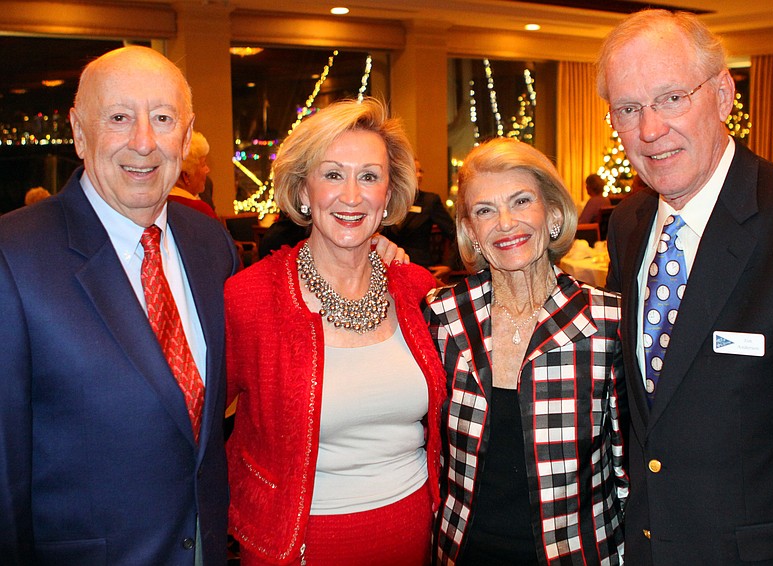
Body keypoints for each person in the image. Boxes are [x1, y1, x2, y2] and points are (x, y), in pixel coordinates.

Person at [597, 9, 773, 564]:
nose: (649, 130)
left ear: (723, 92)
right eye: (628, 109)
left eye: (670, 99)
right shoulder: (629, 224)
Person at [0, 46, 240, 565]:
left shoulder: (210, 244)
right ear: (79, 131)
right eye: (118, 118)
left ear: (187, 130)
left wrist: (367, 257)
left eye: (162, 118)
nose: (144, 142)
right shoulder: (13, 256)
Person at [224, 98, 446, 566]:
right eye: (332, 174)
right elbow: (196, 428)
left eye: (369, 176)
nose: (351, 196)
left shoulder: (417, 290)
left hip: (415, 536)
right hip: (296, 545)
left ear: (388, 195)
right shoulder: (251, 297)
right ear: (303, 191)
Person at [427, 137, 628, 565]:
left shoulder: (607, 322)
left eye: (521, 202)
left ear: (553, 214)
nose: (505, 223)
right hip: (462, 552)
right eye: (484, 210)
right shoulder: (442, 316)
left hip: (578, 554)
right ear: (470, 232)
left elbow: (626, 467)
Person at [385, 158, 457, 271]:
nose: (419, 175)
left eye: (420, 171)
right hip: (388, 267)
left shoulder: (429, 201)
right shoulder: (387, 200)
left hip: (419, 267)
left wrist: (449, 265)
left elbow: (455, 234)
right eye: (415, 171)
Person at [169, 130, 218, 218]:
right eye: (203, 164)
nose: (208, 170)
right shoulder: (200, 210)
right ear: (186, 176)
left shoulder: (155, 206)